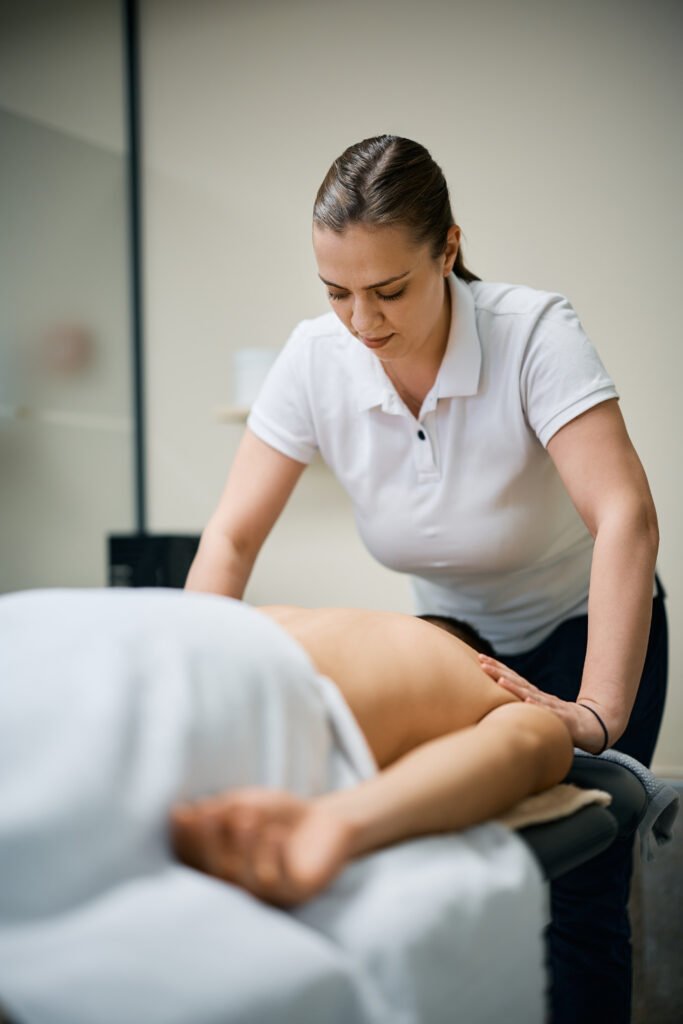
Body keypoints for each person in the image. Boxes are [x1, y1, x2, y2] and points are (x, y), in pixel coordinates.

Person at [185, 136, 667, 1023]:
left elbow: (624, 517)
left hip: (580, 618)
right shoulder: (314, 358)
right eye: (337, 293)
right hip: (450, 633)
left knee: (583, 890)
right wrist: (179, 667)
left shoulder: (530, 331)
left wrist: (595, 710)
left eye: (389, 290)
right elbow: (233, 534)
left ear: (448, 248)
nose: (362, 322)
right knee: (459, 864)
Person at [171, 606, 573, 907]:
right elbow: (526, 746)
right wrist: (337, 819)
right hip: (241, 697)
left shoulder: (306, 616)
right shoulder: (486, 683)